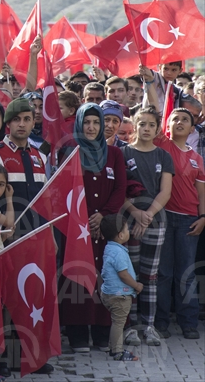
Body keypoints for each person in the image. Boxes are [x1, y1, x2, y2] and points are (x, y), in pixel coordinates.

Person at [60, 103, 127, 353]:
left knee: (106, 276)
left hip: (106, 227)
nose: (91, 127)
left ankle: (101, 332)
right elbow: (64, 190)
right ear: (79, 124)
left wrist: (103, 216)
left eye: (96, 122)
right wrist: (85, 219)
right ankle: (77, 334)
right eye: (86, 122)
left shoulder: (114, 155)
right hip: (78, 228)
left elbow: (120, 188)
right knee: (79, 278)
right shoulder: (70, 152)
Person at [149, 106, 205, 340]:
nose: (179, 122)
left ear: (192, 129)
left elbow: (201, 193)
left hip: (188, 221)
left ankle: (188, 323)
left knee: (186, 274)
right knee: (163, 273)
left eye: (185, 120)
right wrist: (151, 82)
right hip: (162, 217)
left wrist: (203, 218)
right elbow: (155, 105)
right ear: (167, 126)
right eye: (175, 119)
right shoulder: (162, 146)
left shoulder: (197, 158)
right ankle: (161, 322)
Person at [120, 107, 173, 347]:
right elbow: (118, 190)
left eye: (151, 125)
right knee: (128, 274)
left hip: (155, 221)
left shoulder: (163, 156)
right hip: (129, 220)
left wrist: (148, 215)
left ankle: (148, 325)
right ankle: (129, 326)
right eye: (142, 124)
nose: (147, 129)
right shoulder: (123, 153)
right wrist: (136, 213)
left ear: (157, 129)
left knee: (149, 276)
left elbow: (165, 191)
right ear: (135, 126)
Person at [0, 98, 48, 238]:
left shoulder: (41, 156)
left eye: (27, 119)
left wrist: (50, 234)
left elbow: (45, 201)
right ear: (8, 123)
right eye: (16, 119)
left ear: (34, 122)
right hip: (5, 238)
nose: (21, 124)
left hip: (38, 235)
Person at [99, 214, 143, 361]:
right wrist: (136, 285)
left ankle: (113, 347)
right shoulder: (118, 252)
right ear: (120, 235)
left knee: (116, 321)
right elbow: (123, 274)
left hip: (109, 293)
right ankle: (117, 351)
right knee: (119, 322)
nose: (128, 231)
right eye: (126, 229)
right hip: (120, 295)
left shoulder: (110, 248)